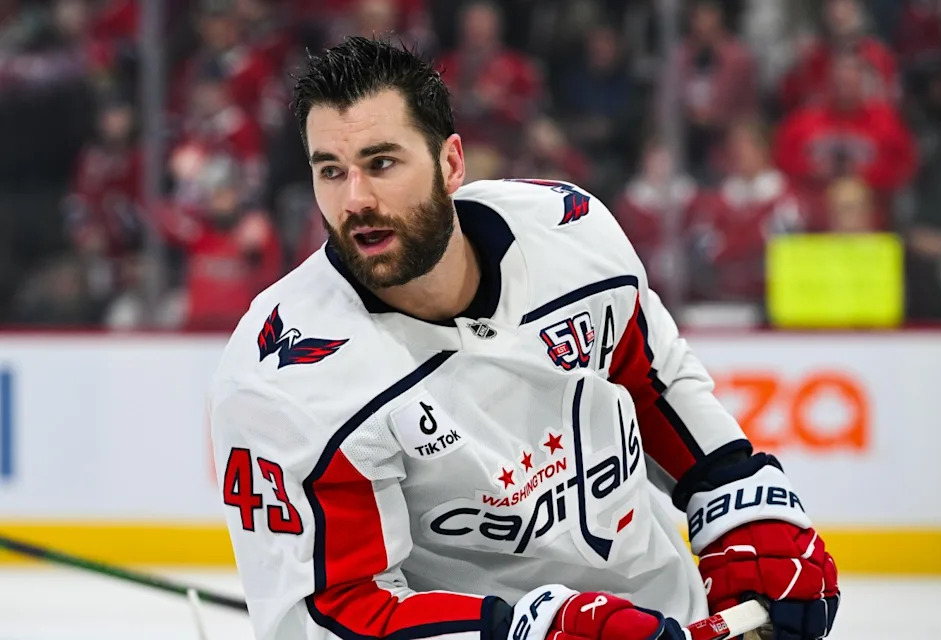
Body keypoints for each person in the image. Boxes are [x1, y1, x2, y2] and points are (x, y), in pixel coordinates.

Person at [208, 37, 839, 640]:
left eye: (381, 163)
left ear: (450, 162)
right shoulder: (283, 377)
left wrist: (740, 499)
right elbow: (329, 615)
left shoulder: (569, 234)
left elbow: (655, 383)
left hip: (665, 615)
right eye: (330, 171)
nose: (356, 200)